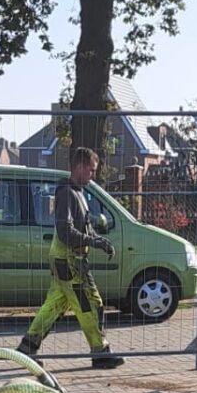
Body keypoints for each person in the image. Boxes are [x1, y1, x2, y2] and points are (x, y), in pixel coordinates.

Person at [18, 145, 120, 370]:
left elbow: (80, 227)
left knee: (56, 303)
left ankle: (28, 345)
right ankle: (100, 352)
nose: (93, 175)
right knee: (91, 304)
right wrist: (95, 241)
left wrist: (97, 239)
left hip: (65, 260)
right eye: (91, 170)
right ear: (80, 167)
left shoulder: (77, 192)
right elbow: (65, 231)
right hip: (69, 261)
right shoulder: (66, 193)